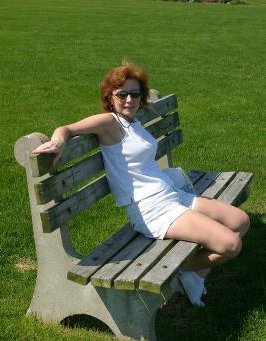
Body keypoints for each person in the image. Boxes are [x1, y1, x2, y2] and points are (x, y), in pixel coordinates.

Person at [32, 61, 250, 306]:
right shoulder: (110, 123)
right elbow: (67, 129)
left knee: (240, 221)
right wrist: (58, 142)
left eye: (134, 93)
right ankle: (181, 270)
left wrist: (142, 102)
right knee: (230, 244)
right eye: (121, 94)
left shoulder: (133, 120)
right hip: (151, 209)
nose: (128, 99)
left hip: (171, 194)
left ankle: (194, 274)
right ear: (110, 97)